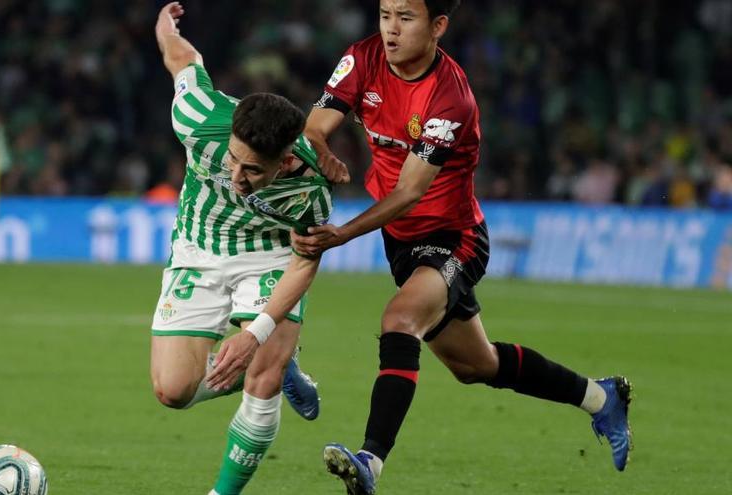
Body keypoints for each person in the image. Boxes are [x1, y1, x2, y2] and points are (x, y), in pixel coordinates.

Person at [293, 1, 633, 493]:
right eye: (385, 13)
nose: (391, 28)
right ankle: (602, 400)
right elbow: (314, 126)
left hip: (454, 239)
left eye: (405, 17)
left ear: (437, 26)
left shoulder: (450, 98)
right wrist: (322, 151)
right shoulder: (362, 58)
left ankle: (370, 461)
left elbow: (410, 191)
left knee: (399, 319)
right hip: (402, 241)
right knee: (477, 365)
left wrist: (341, 234)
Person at [152, 3, 333, 494]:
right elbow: (181, 59)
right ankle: (280, 359)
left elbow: (304, 262)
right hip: (198, 247)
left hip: (269, 256)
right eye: (233, 160)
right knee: (172, 391)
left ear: (285, 160)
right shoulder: (197, 118)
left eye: (253, 170)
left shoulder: (310, 190)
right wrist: (164, 25)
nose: (236, 177)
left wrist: (257, 333)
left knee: (263, 373)